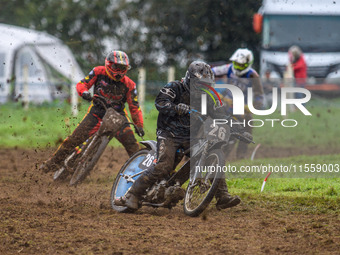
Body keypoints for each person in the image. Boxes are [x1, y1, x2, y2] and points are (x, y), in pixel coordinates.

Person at [115, 61, 241, 210]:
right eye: (199, 84)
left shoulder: (207, 98)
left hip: (190, 137)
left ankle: (222, 196)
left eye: (206, 84)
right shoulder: (174, 87)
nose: (202, 88)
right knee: (165, 165)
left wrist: (236, 127)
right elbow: (160, 102)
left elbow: (220, 116)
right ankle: (132, 194)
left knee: (210, 154)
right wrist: (176, 107)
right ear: (189, 79)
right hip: (168, 134)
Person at [40, 50, 144, 172]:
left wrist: (139, 125)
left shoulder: (129, 84)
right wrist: (84, 92)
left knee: (132, 144)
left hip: (117, 117)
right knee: (73, 139)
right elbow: (82, 84)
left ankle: (142, 173)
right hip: (97, 113)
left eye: (123, 68)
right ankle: (52, 163)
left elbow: (134, 107)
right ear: (109, 64)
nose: (119, 71)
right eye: (116, 67)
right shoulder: (98, 72)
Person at [211, 48, 264, 159]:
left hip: (243, 107)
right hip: (226, 102)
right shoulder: (228, 67)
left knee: (247, 130)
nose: (238, 67)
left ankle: (241, 156)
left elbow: (259, 95)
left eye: (241, 65)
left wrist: (253, 107)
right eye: (236, 64)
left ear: (248, 64)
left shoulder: (253, 75)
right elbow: (212, 71)